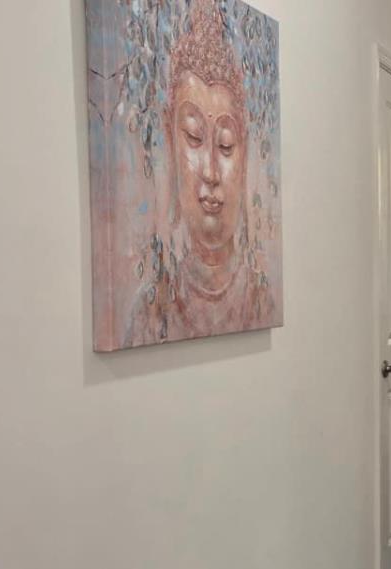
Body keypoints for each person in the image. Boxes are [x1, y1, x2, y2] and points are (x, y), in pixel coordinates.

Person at [124, 0, 274, 347]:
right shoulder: (150, 312)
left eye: (225, 145)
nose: (210, 172)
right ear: (170, 142)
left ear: (246, 153)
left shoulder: (261, 298)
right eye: (193, 137)